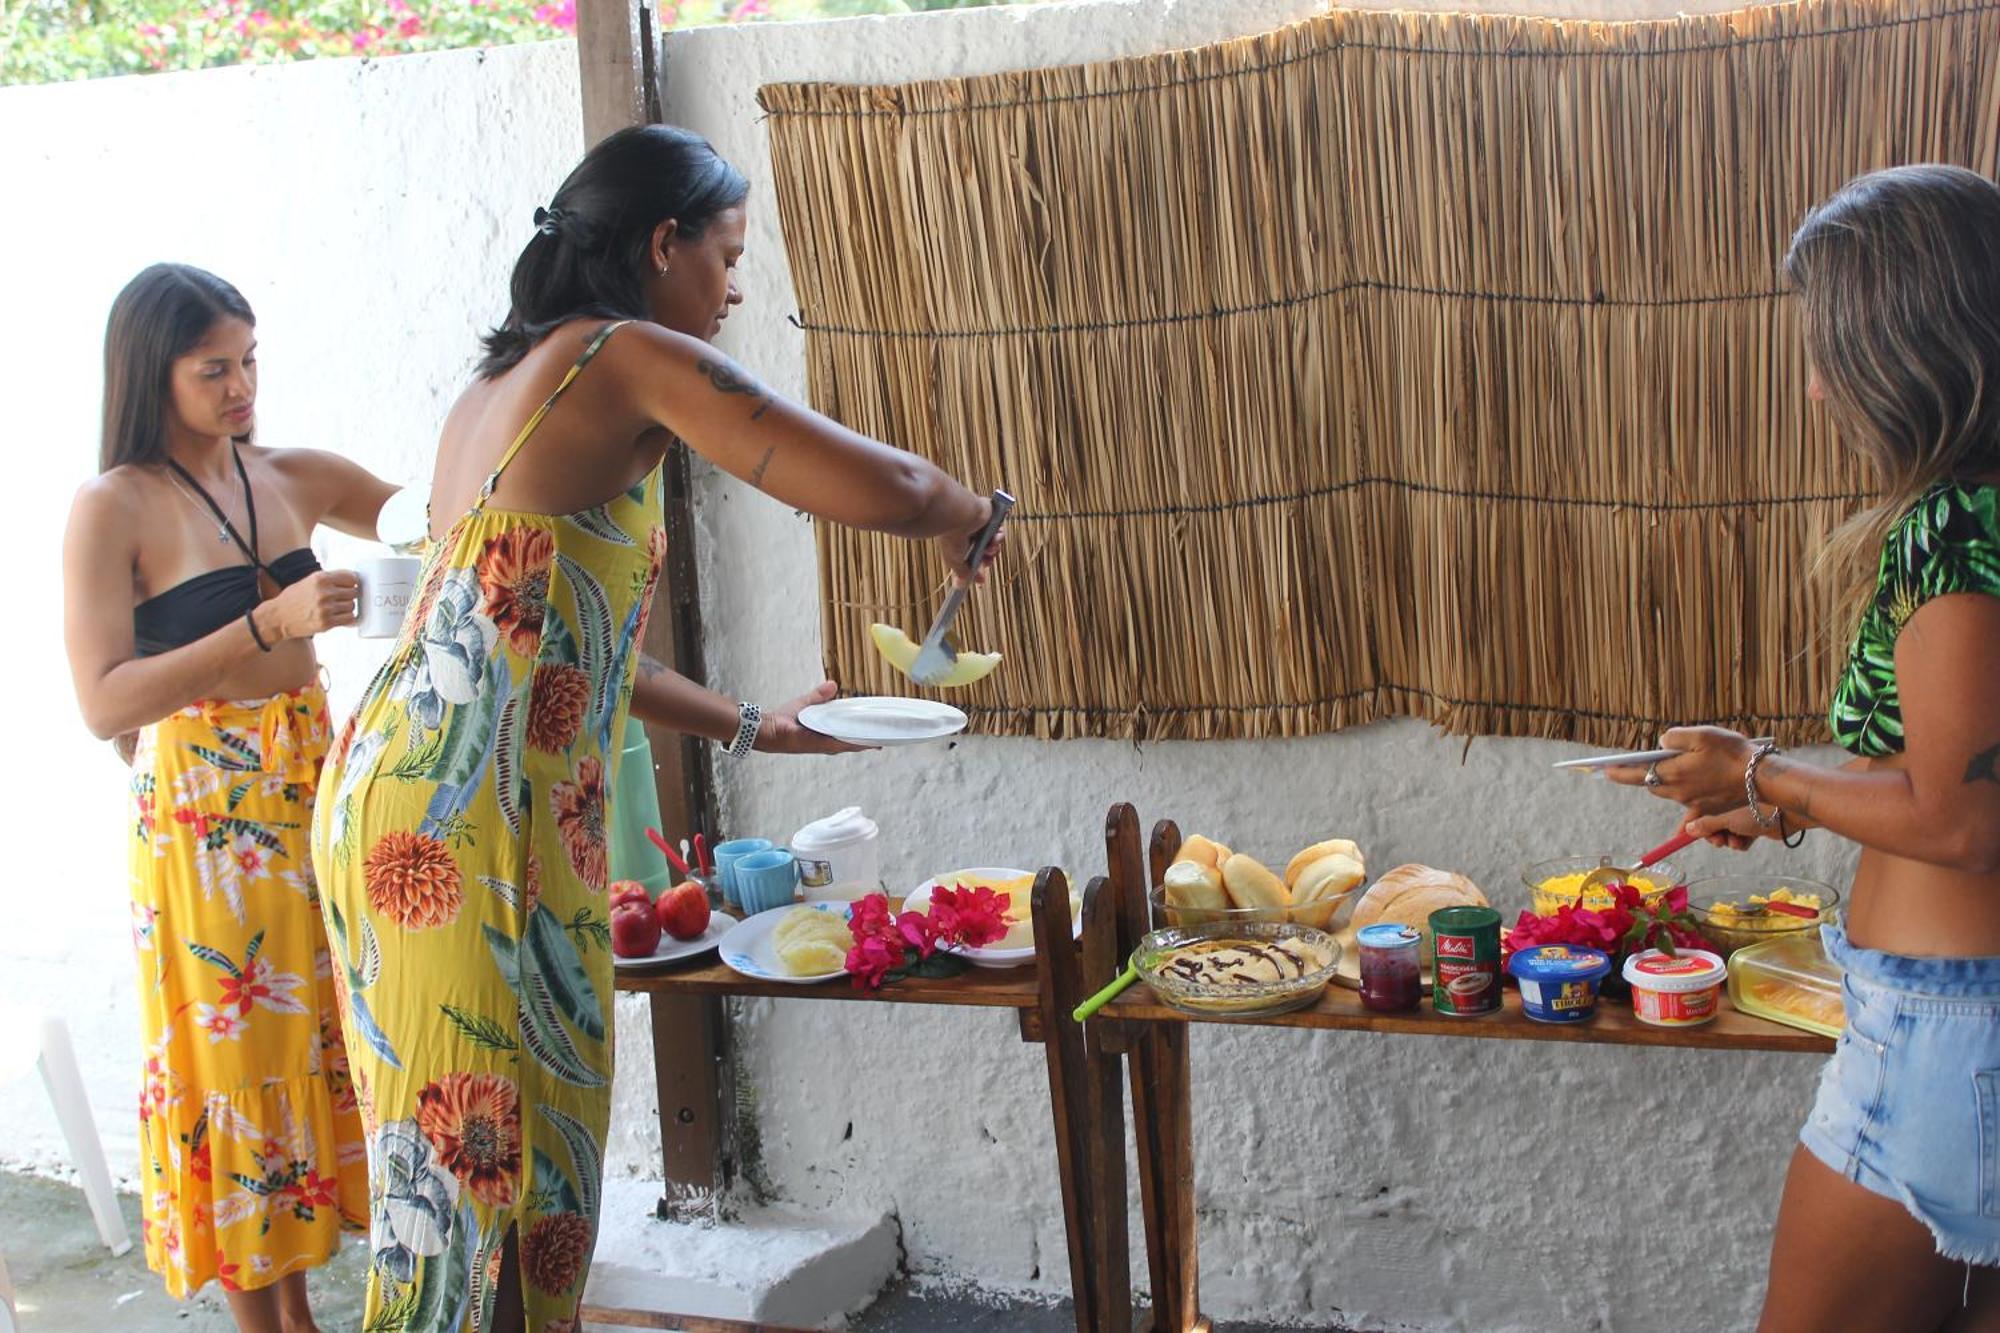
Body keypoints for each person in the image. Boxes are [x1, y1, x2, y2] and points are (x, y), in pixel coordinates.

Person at [309, 124, 1005, 1333]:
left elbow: (561, 646)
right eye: (726, 254)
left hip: (452, 788)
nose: (735, 285)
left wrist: (754, 727)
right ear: (660, 242)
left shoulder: (505, 381)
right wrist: (961, 508)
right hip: (459, 811)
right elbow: (868, 483)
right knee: (468, 1185)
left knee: (536, 1162)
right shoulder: (617, 351)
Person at [1612, 165, 2000, 1331]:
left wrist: (1756, 770)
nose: (1819, 386)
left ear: (1914, 343)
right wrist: (1794, 801)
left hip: (1944, 1037)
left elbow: (1960, 821)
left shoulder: (1953, 525)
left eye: (1835, 349)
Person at [63, 263, 398, 1333]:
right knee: (243, 1051)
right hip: (206, 804)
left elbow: (442, 514)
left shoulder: (289, 473)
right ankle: (275, 1324)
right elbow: (102, 700)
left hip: (314, 767)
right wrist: (266, 622)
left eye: (250, 361)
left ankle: (310, 1307)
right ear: (151, 374)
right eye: (214, 369)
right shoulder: (112, 506)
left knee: (332, 1028)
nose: (241, 386)